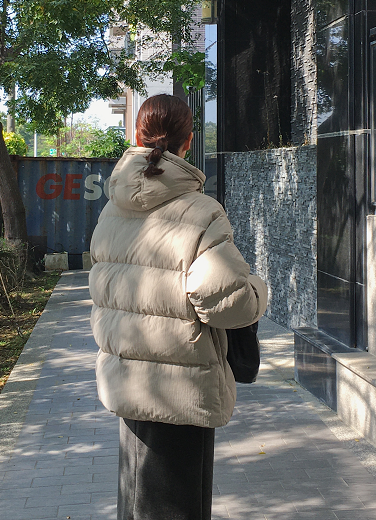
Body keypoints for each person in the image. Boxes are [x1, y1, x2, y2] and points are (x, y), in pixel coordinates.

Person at [89, 94, 268, 520]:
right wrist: (259, 290)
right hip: (181, 385)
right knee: (176, 505)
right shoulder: (200, 211)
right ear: (188, 141)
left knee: (136, 499)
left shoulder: (113, 208)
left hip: (127, 376)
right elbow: (226, 301)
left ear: (138, 136)